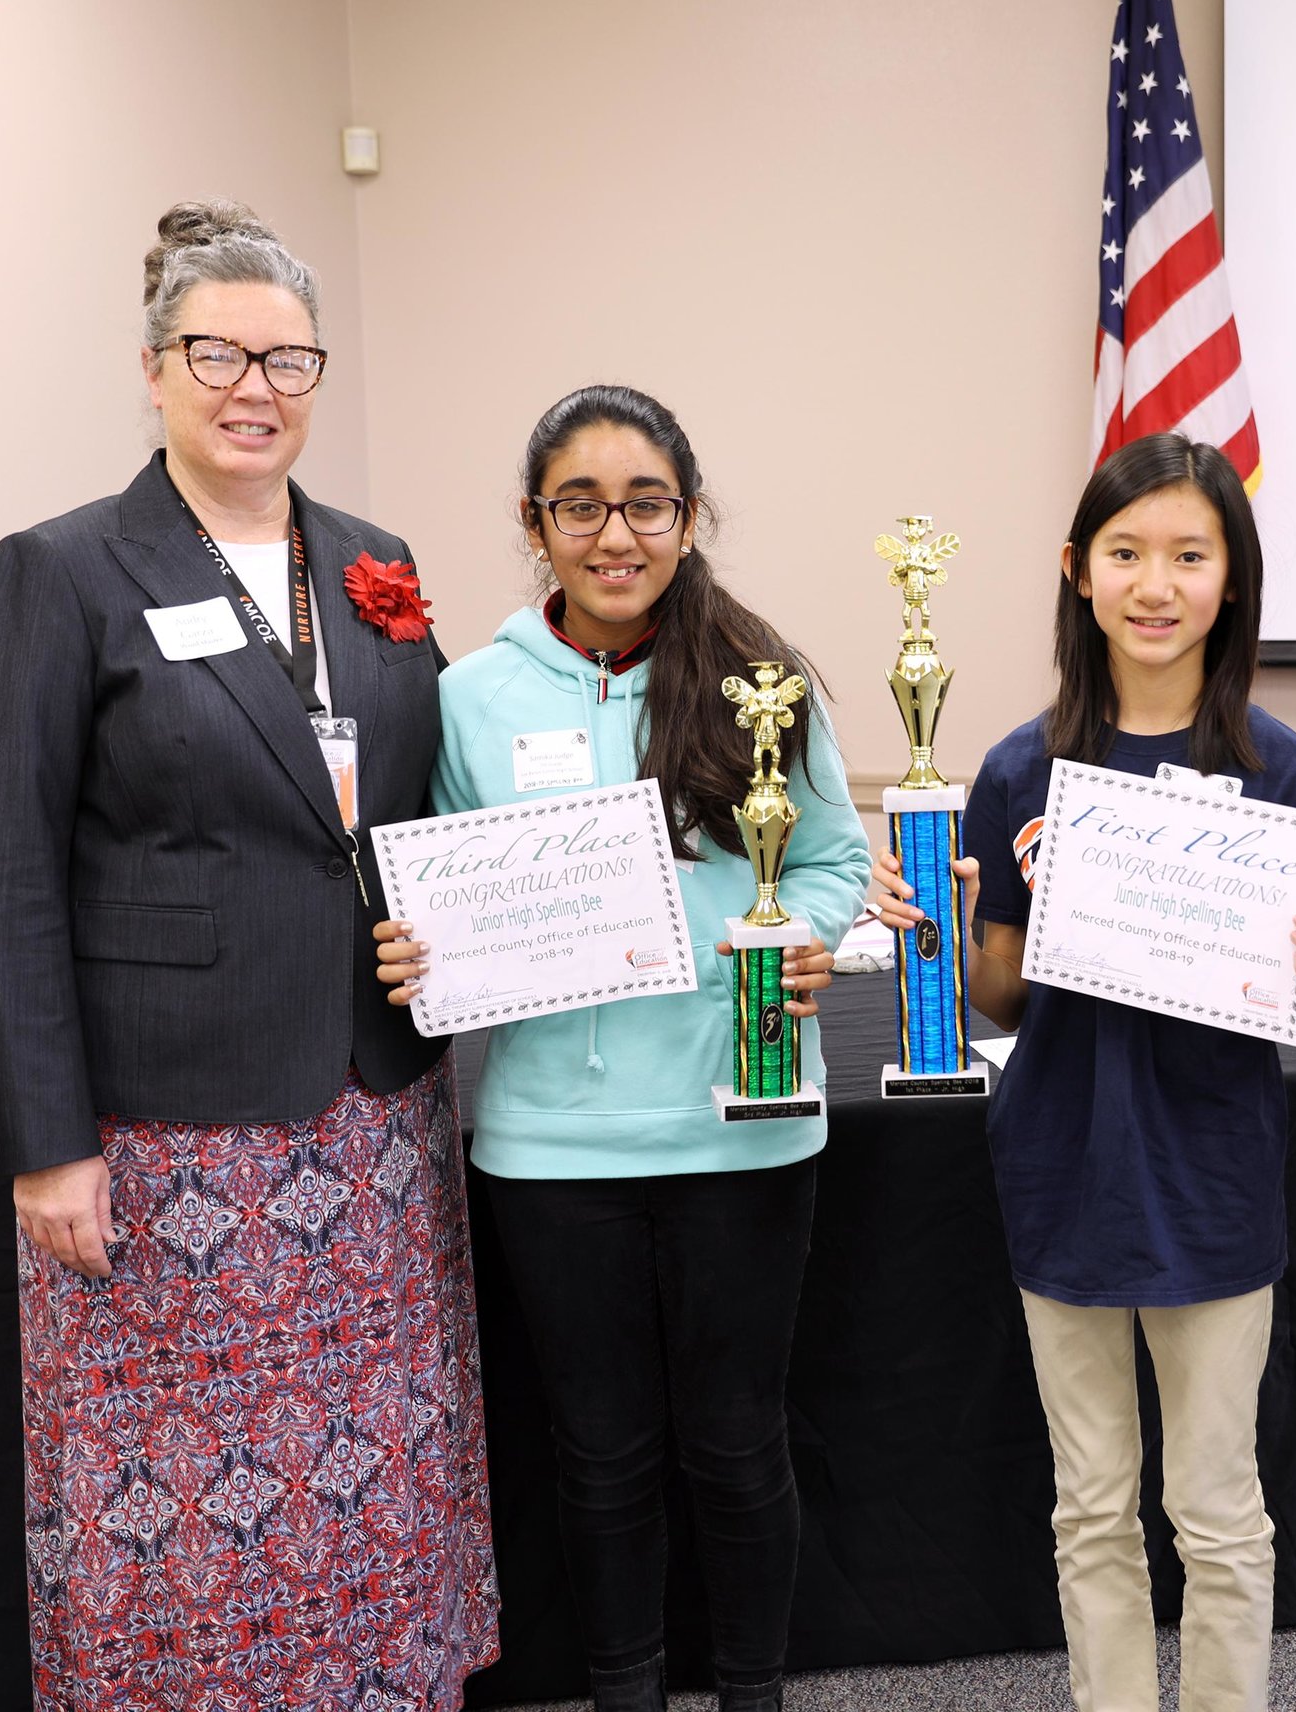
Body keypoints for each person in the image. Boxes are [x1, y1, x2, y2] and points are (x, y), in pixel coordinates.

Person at [0, 200, 499, 1712]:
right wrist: (48, 1148)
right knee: (189, 1485)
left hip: (374, 1112)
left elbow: (410, 801)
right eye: (219, 354)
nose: (256, 386)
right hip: (169, 1135)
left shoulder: (373, 560)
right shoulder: (58, 573)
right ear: (153, 368)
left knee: (370, 1457)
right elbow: (9, 877)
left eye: (289, 358)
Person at [374, 385, 870, 1712]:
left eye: (645, 503)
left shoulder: (761, 680)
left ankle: (755, 1693)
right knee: (597, 1452)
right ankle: (626, 1694)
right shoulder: (468, 697)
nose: (615, 534)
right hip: (550, 1142)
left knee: (737, 1441)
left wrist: (805, 936)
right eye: (579, 505)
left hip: (743, 1118)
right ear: (536, 525)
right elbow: (434, 889)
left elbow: (830, 863)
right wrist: (420, 946)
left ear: (689, 515)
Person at [872, 432, 1296, 1712]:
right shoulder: (1013, 770)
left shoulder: (1286, 775)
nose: (1157, 584)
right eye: (1127, 552)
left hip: (1211, 1179)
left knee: (1214, 1509)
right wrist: (941, 917)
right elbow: (997, 994)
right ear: (1077, 575)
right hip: (1062, 1171)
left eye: (1189, 556)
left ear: (1232, 581)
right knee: (1088, 1506)